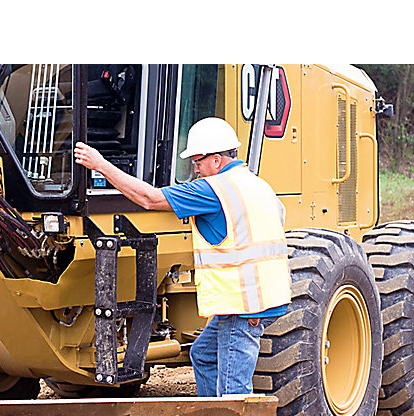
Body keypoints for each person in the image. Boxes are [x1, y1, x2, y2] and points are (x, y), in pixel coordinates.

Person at [74, 117, 291, 397]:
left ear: (216, 160)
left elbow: (150, 199)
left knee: (233, 391)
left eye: (198, 163)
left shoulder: (213, 190)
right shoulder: (258, 185)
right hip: (264, 297)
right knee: (203, 355)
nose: (196, 170)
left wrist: (100, 165)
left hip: (244, 305)